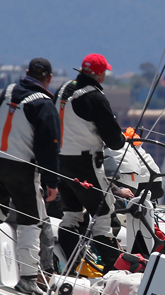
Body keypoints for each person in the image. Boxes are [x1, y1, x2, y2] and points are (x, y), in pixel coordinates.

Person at [0, 58, 61, 295]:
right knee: (32, 222)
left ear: (27, 72)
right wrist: (52, 182)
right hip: (21, 168)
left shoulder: (7, 91)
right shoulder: (44, 104)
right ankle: (28, 279)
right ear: (48, 79)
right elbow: (49, 147)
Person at [57, 53, 127, 272]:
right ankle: (112, 273)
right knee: (103, 215)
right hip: (85, 162)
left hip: (60, 160)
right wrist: (123, 137)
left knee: (71, 215)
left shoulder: (64, 89)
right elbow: (115, 142)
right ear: (98, 74)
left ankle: (69, 266)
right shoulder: (94, 97)